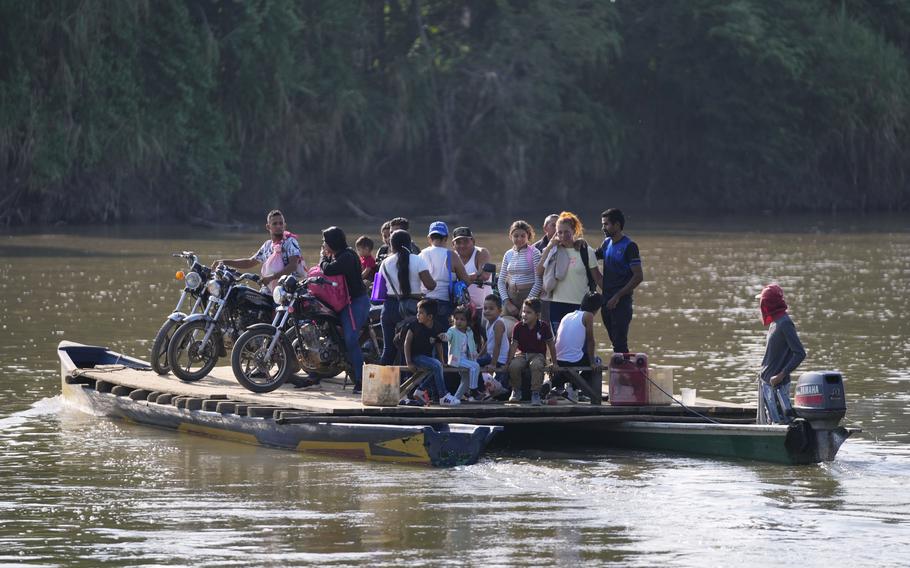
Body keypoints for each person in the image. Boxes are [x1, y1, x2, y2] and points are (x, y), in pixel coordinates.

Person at [319, 226, 371, 393]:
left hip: (356, 302)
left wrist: (322, 258)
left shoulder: (347, 256)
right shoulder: (340, 255)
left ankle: (361, 381)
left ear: (333, 242)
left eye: (325, 242)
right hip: (344, 302)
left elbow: (328, 269)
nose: (324, 245)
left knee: (350, 339)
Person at [537, 212, 602, 333]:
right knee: (559, 344)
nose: (563, 235)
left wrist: (612, 296)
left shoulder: (586, 251)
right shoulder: (553, 251)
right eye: (559, 232)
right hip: (556, 304)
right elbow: (539, 271)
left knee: (579, 344)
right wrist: (550, 246)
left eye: (566, 231)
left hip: (580, 305)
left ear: (573, 230)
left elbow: (598, 278)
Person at [378, 230, 436, 364]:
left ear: (391, 245)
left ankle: (380, 383)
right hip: (411, 309)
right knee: (409, 349)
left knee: (389, 349)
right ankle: (408, 383)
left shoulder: (385, 263)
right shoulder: (418, 260)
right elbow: (430, 285)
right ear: (409, 243)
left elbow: (380, 291)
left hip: (389, 308)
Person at [213, 209, 306, 292]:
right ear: (268, 227)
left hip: (286, 291)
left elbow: (292, 266)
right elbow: (249, 262)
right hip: (268, 289)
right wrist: (224, 262)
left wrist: (271, 278)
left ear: (284, 225)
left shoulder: (290, 242)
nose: (278, 226)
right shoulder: (267, 245)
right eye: (275, 223)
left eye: (281, 223)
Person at [756, 284, 806, 424]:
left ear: (768, 304)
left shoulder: (785, 323)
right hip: (766, 386)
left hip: (777, 387)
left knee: (781, 423)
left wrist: (781, 375)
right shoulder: (775, 322)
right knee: (771, 422)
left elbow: (800, 353)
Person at [596, 208, 643, 353]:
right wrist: (579, 245)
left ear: (617, 225)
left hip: (621, 302)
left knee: (620, 344)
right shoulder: (606, 243)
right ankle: (622, 370)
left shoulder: (629, 246)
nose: (603, 228)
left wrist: (617, 296)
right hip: (606, 300)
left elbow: (638, 276)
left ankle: (624, 373)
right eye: (603, 224)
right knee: (615, 342)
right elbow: (591, 256)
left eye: (606, 224)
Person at [403, 299, 460, 406]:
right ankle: (443, 395)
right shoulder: (414, 325)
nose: (417, 315)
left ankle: (420, 390)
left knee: (438, 366)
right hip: (415, 356)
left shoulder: (437, 327)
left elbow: (438, 345)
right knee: (437, 365)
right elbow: (407, 343)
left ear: (430, 317)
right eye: (417, 312)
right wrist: (409, 362)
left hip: (427, 357)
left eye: (421, 313)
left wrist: (442, 361)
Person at [505, 299, 557, 406]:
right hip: (522, 354)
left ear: (537, 315)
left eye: (528, 312)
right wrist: (508, 362)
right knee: (514, 366)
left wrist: (555, 362)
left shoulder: (544, 327)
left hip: (538, 354)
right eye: (524, 312)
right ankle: (516, 390)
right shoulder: (518, 327)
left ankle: (536, 393)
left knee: (537, 365)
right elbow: (514, 346)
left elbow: (551, 345)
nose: (524, 315)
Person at [419, 221, 471, 325]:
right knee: (444, 338)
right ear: (446, 238)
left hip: (424, 304)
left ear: (429, 238)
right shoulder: (451, 255)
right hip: (445, 304)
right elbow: (466, 281)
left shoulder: (421, 255)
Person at [554, 291, 603, 400]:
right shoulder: (588, 315)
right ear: (597, 308)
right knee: (597, 361)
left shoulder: (568, 315)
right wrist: (592, 363)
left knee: (574, 357)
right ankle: (574, 389)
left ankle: (552, 385)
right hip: (572, 360)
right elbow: (591, 341)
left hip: (558, 359)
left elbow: (556, 339)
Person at [498, 220, 542, 319]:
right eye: (516, 236)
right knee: (504, 327)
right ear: (511, 236)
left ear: (528, 236)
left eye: (523, 236)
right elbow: (501, 281)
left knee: (526, 329)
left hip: (529, 296)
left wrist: (526, 304)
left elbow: (539, 282)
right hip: (511, 297)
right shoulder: (508, 254)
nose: (519, 239)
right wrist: (507, 302)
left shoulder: (534, 253)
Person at [477, 294, 511, 398]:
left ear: (500, 311)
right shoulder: (488, 322)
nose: (487, 311)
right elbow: (488, 342)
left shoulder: (498, 324)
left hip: (500, 359)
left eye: (491, 308)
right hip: (491, 356)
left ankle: (491, 390)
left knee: (501, 388)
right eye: (485, 308)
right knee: (473, 364)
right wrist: (479, 355)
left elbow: (498, 344)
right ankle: (480, 390)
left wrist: (493, 364)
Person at [451, 226, 493, 310]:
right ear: (453, 245)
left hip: (483, 308)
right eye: (458, 242)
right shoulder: (452, 257)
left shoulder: (481, 253)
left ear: (473, 241)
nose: (462, 245)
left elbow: (485, 275)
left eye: (466, 241)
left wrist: (462, 279)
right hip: (461, 310)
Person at [447, 306, 482, 401]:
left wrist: (475, 354)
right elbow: (448, 336)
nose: (458, 321)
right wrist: (444, 337)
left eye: (462, 319)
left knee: (465, 380)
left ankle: (455, 399)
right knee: (475, 366)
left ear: (468, 321)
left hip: (466, 359)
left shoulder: (469, 331)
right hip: (456, 359)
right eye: (456, 319)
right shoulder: (452, 330)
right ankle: (473, 390)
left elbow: (472, 345)